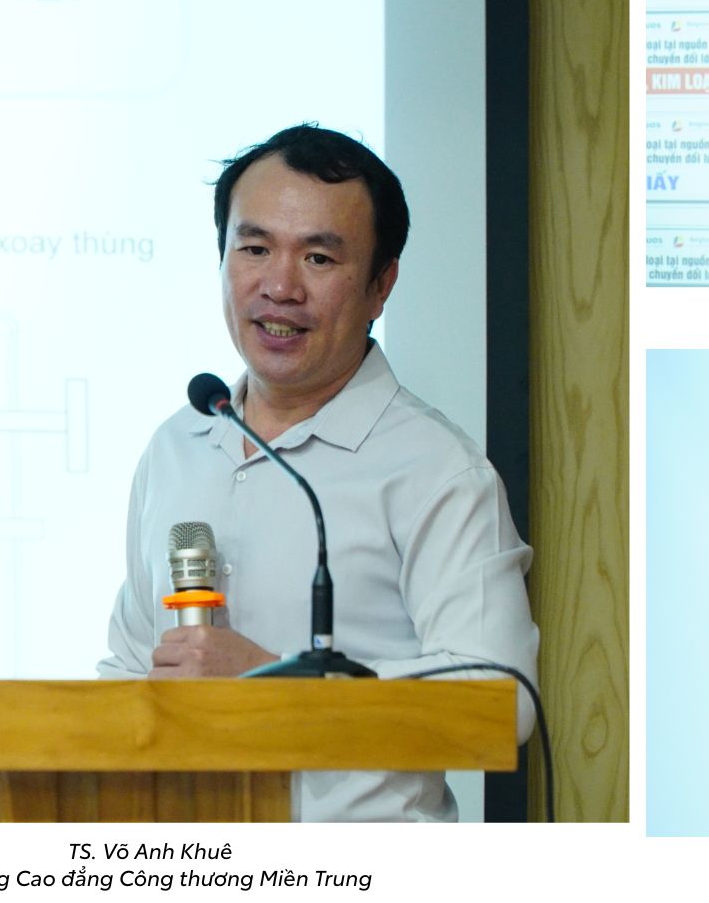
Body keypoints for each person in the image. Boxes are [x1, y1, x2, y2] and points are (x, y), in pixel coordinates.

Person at [96, 124, 539, 822]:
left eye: (319, 258)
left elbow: (501, 700)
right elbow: (130, 665)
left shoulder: (435, 469)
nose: (279, 286)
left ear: (381, 285)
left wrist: (277, 682)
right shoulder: (177, 445)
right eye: (254, 248)